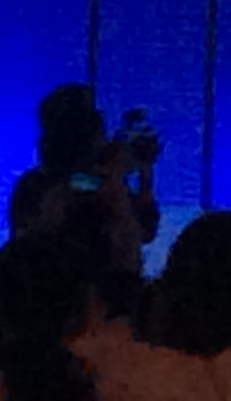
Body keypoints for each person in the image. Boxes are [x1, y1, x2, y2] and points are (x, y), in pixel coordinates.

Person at [8, 84, 159, 280]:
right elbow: (143, 229)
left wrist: (137, 170)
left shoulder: (33, 184)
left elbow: (145, 227)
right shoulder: (94, 187)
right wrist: (128, 171)